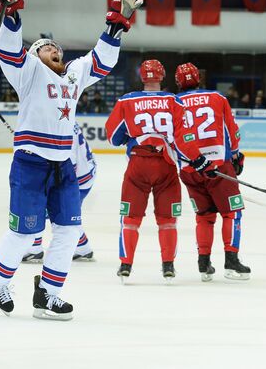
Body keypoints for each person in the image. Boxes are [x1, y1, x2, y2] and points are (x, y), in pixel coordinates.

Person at [0, 0, 142, 320]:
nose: (55, 50)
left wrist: (116, 24)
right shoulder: (27, 72)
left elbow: (101, 60)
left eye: (57, 47)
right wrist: (11, 12)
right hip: (31, 164)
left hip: (63, 167)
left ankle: (49, 294)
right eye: (47, 47)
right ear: (34, 55)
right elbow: (9, 49)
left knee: (69, 231)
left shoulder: (73, 75)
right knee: (25, 233)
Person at [105, 59, 216, 282]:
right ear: (162, 76)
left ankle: (125, 265)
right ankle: (168, 266)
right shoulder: (173, 101)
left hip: (138, 165)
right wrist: (199, 160)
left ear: (141, 77)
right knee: (167, 219)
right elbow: (184, 139)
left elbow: (112, 137)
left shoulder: (126, 101)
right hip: (165, 165)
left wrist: (131, 137)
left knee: (130, 219)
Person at [175, 63, 250, 281]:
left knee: (204, 217)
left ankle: (204, 263)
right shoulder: (218, 98)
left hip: (190, 169)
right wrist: (235, 155)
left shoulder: (174, 102)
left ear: (178, 82)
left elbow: (174, 139)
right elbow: (232, 131)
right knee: (232, 213)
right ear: (199, 78)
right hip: (218, 166)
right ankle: (231, 261)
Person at [22, 122, 96, 263]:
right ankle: (83, 248)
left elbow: (68, 164)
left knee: (51, 209)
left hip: (78, 177)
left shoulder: (58, 128)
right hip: (86, 172)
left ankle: (34, 248)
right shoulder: (63, 121)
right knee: (67, 215)